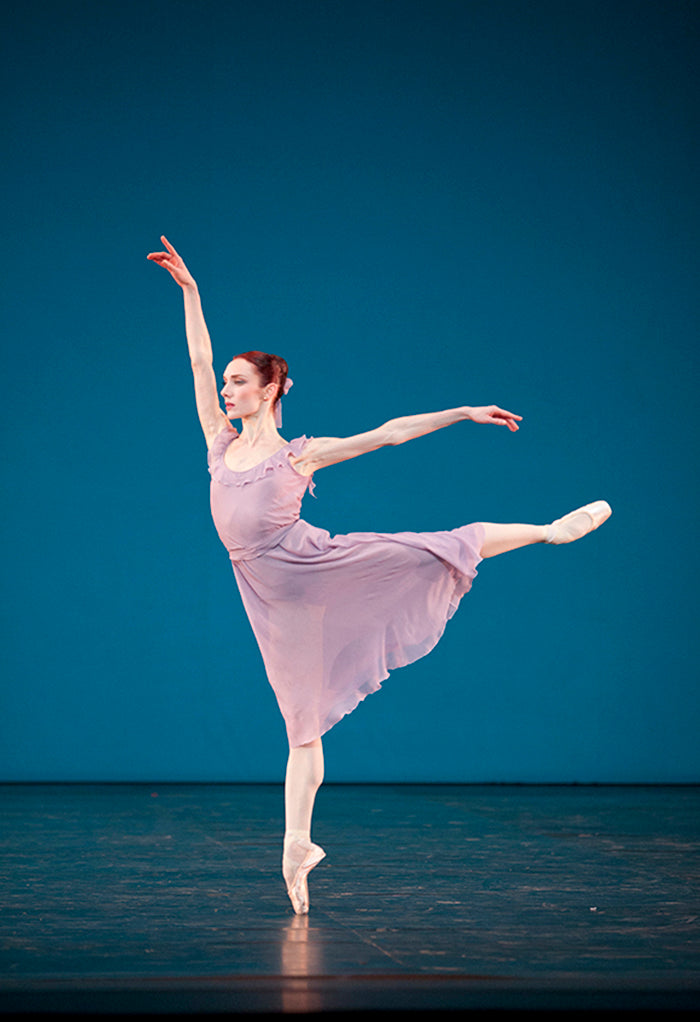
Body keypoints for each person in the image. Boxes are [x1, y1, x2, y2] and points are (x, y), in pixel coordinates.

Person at [147, 235, 612, 914]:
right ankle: (297, 846)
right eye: (228, 382)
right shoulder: (218, 439)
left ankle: (549, 529)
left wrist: (461, 411)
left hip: (315, 566)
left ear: (271, 387)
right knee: (302, 725)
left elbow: (389, 432)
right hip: (271, 598)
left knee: (431, 549)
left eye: (240, 381)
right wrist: (191, 292)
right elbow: (196, 358)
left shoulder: (299, 457)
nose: (226, 387)